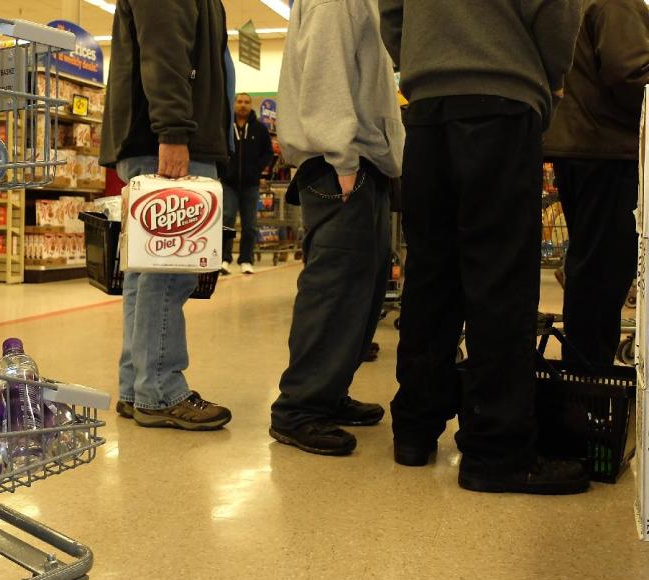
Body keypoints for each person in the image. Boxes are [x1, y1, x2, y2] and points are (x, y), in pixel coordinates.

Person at [381, 0, 591, 494]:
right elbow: (558, 14)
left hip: (428, 111)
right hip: (502, 97)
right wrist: (546, 79)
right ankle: (496, 451)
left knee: (431, 274)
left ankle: (414, 428)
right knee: (499, 280)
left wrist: (425, 58)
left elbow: (390, 12)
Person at [269, 0, 404, 456]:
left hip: (361, 161)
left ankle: (327, 394)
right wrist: (340, 154)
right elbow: (326, 71)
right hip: (342, 162)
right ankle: (299, 409)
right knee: (333, 291)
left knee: (360, 295)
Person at [100, 0, 233, 431]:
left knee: (147, 271)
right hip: (168, 141)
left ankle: (137, 388)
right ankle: (160, 391)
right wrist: (174, 131)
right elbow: (164, 48)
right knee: (168, 272)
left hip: (157, 137)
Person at [545, 0, 649, 370]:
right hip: (606, 148)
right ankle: (589, 381)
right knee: (602, 273)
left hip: (582, 144)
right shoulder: (617, 3)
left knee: (591, 267)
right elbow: (632, 72)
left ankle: (585, 378)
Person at [220, 93, 273, 275]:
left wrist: (256, 169)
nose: (243, 105)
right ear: (234, 104)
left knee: (250, 224)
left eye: (246, 102)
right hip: (229, 183)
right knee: (227, 220)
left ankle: (246, 260)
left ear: (251, 105)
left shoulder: (260, 129)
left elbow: (268, 153)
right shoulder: (226, 127)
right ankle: (224, 259)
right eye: (239, 101)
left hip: (251, 184)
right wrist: (223, 168)